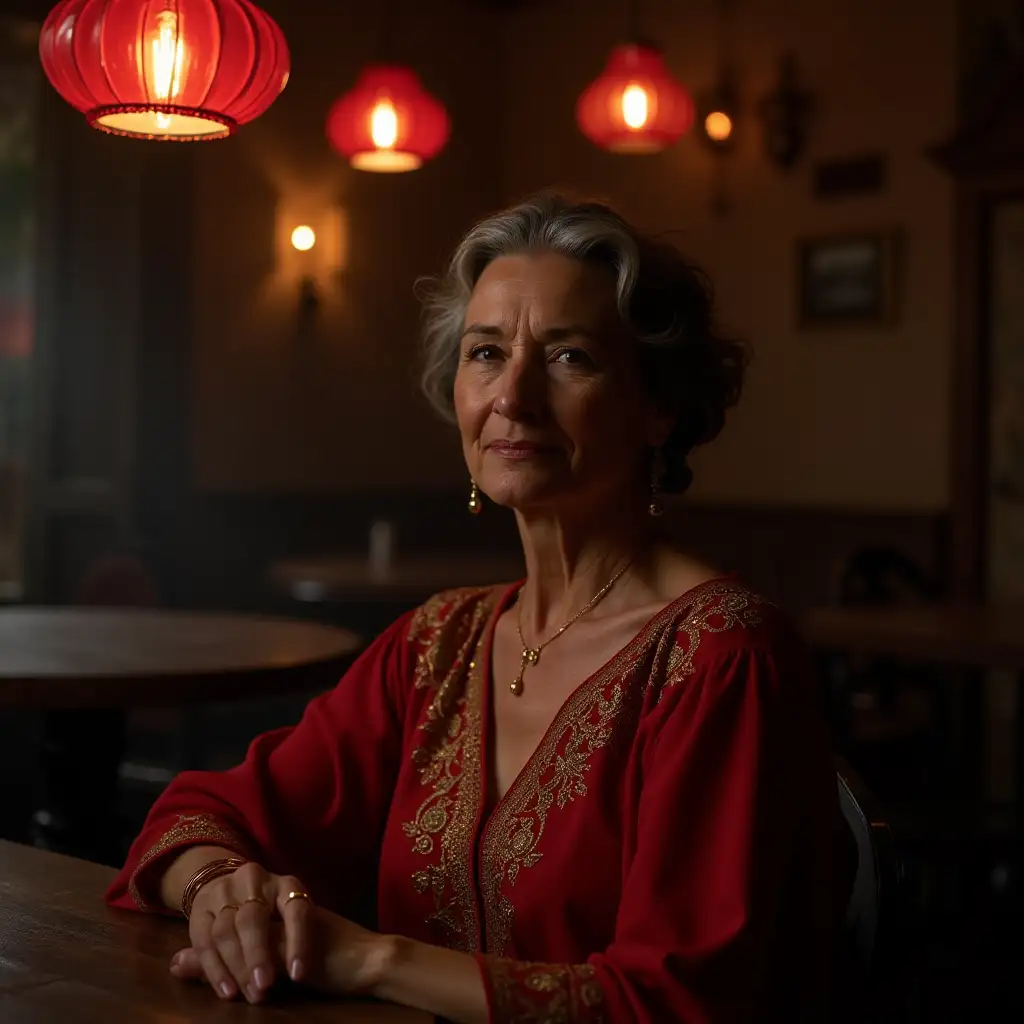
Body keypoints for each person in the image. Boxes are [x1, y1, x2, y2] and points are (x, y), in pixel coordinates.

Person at [107, 193, 844, 1022]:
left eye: (570, 358)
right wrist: (221, 890)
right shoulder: (436, 641)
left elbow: (676, 1003)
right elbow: (194, 814)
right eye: (486, 352)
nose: (514, 396)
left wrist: (365, 956)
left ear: (658, 407)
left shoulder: (722, 657)